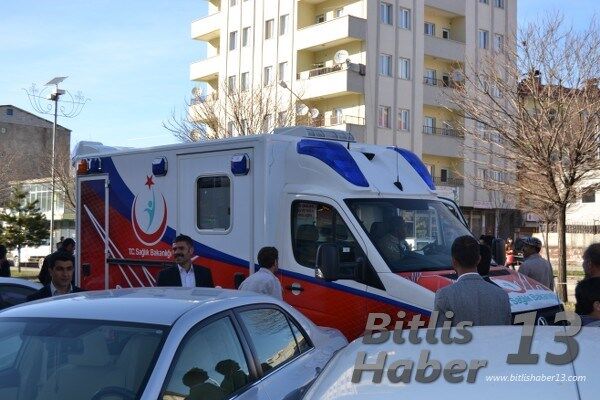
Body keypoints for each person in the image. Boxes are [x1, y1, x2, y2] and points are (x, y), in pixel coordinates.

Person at [434, 235, 511, 326]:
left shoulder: (444, 296)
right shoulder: (502, 295)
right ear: (479, 259)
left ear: (454, 262)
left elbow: (440, 332)